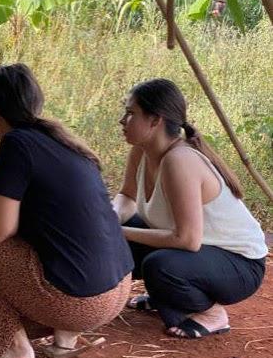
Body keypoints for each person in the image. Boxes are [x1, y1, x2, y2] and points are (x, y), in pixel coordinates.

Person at [0, 64, 133, 358]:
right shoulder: (65, 142)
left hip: (79, 303)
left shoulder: (16, 143)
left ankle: (14, 346)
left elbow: (0, 231)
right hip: (117, 290)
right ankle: (65, 339)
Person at [113, 78, 267, 339]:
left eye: (130, 113)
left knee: (159, 265)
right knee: (119, 237)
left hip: (240, 265)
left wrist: (117, 231)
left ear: (155, 120)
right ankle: (165, 295)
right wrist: (109, 219)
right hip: (201, 252)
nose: (122, 120)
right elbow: (127, 196)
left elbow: (187, 240)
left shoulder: (180, 160)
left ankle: (211, 314)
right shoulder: (142, 151)